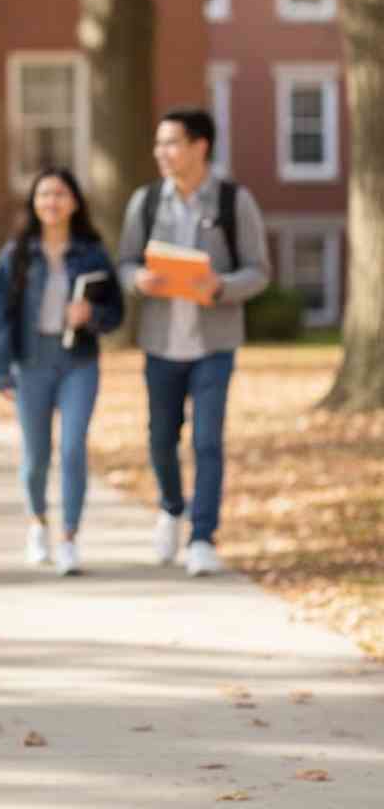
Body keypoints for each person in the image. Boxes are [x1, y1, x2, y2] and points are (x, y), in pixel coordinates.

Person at [117, 108, 269, 576]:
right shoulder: (145, 202)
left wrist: (220, 287)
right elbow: (123, 263)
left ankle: (203, 537)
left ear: (200, 146)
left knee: (207, 442)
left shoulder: (232, 201)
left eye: (171, 143)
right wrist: (139, 279)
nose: (161, 152)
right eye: (159, 144)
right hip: (161, 344)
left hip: (213, 345)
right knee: (160, 440)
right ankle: (171, 507)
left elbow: (259, 271)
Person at [0, 168, 123, 575]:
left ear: (74, 202)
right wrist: (0, 370)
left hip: (79, 361)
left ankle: (69, 538)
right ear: (34, 203)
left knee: (74, 447)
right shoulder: (17, 255)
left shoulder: (92, 253)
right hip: (31, 362)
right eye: (44, 194)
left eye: (60, 194)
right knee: (37, 455)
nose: (52, 201)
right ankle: (37, 524)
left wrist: (91, 314)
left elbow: (116, 312)